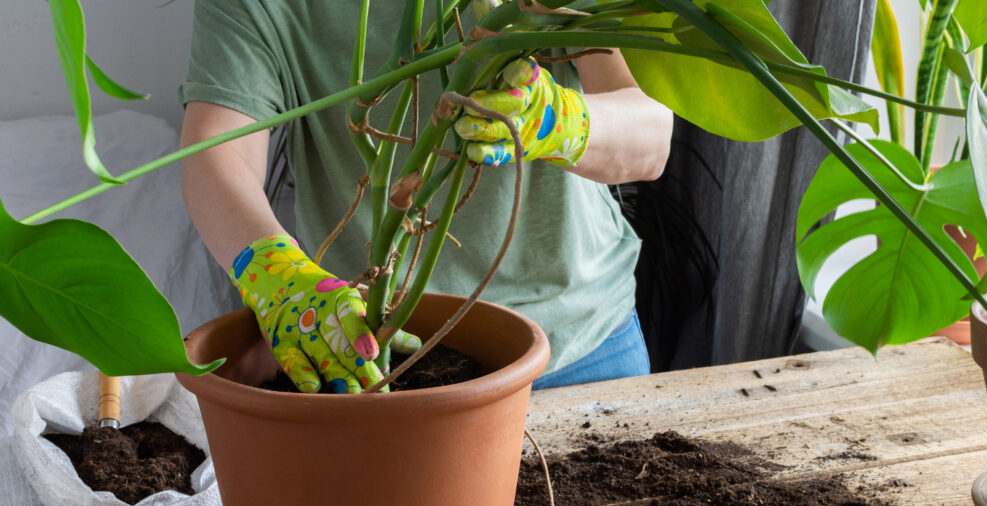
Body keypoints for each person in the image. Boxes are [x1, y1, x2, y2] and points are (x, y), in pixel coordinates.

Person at [178, 1, 672, 392]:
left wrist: (554, 119)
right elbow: (216, 153)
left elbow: (649, 141)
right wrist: (277, 274)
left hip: (584, 341)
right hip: (379, 357)